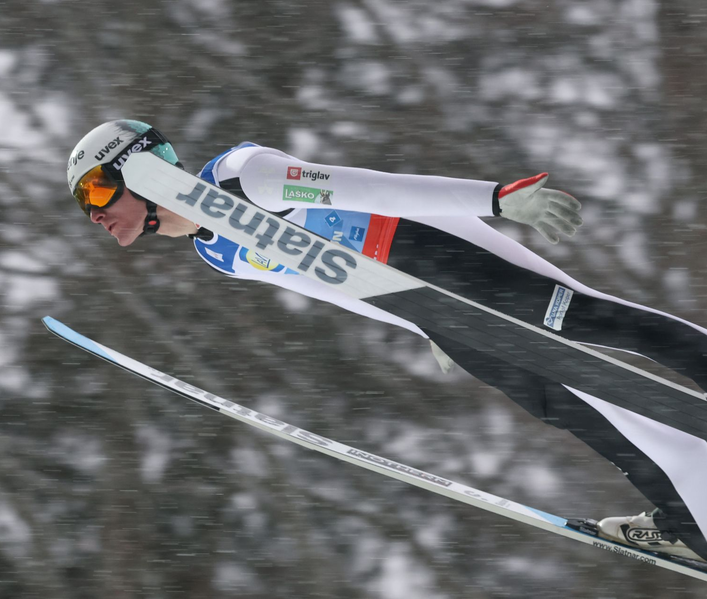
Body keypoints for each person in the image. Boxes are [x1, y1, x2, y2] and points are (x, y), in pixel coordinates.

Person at [67, 119, 707, 563]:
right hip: (431, 307)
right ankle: (688, 521)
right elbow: (335, 285)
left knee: (600, 327)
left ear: (140, 167)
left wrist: (493, 201)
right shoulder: (216, 252)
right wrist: (424, 323)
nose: (96, 216)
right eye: (84, 207)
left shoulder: (239, 178)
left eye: (97, 190)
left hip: (444, 257)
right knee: (568, 407)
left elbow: (365, 187)